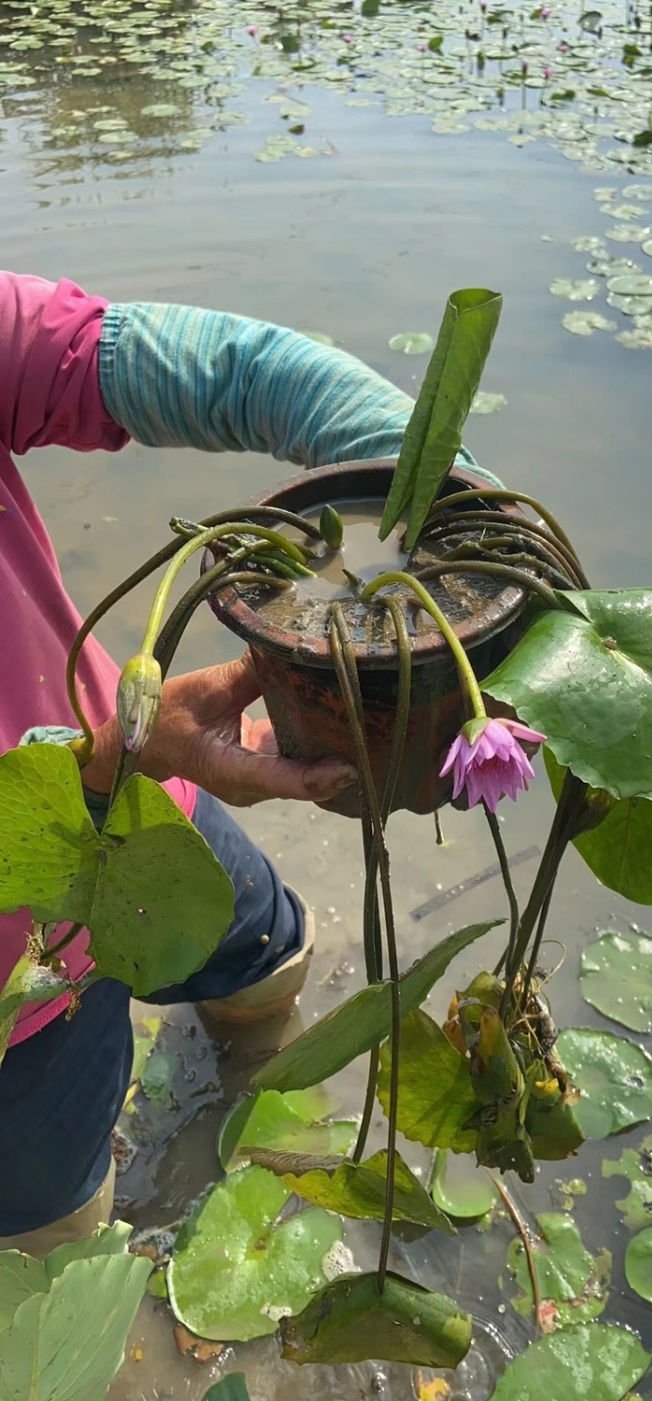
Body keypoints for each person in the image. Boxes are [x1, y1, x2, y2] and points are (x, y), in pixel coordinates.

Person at [0, 271, 492, 1256]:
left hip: (154, 800)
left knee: (265, 956)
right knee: (48, 1221)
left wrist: (433, 498)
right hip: (17, 991)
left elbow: (233, 370)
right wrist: (110, 758)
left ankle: (257, 1077)